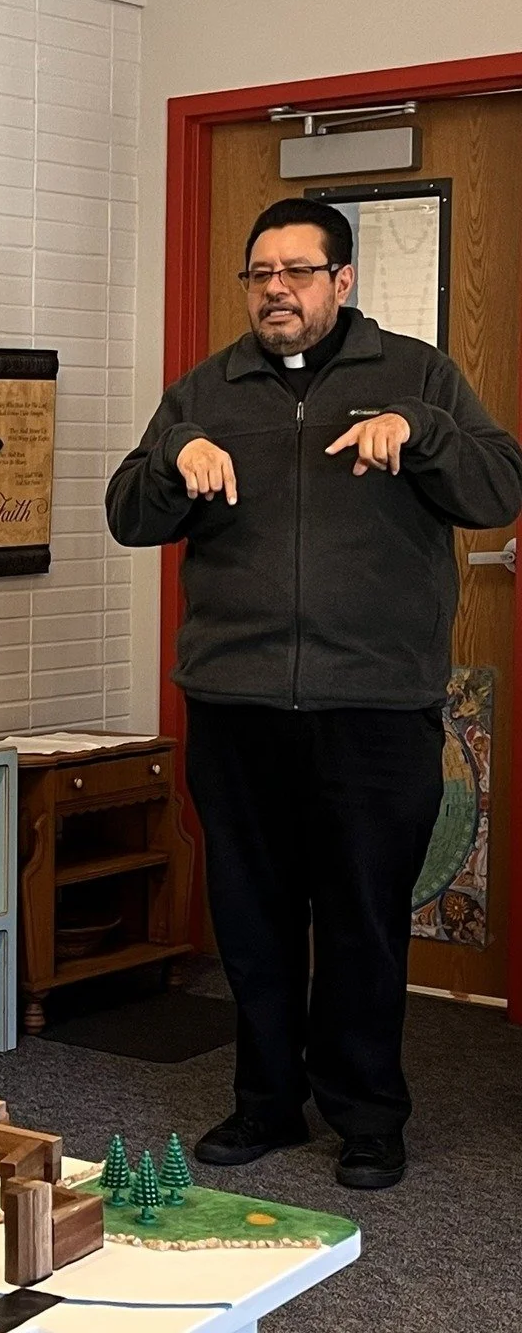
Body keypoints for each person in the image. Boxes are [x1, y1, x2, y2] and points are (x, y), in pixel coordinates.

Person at [106, 196, 522, 1191]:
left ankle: (368, 1116)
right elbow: (128, 514)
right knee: (250, 920)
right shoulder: (206, 390)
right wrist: (173, 455)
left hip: (374, 710)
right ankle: (265, 1103)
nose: (276, 290)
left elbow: (500, 489)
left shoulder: (418, 375)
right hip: (236, 706)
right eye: (261, 274)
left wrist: (419, 433)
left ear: (342, 281)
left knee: (361, 920)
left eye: (297, 272)